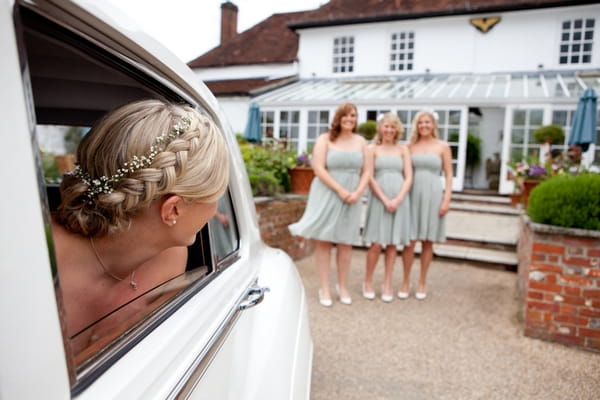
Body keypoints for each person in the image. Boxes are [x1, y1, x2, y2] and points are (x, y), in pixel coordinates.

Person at [51, 99, 230, 338]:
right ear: (173, 209)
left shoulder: (171, 259)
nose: (216, 208)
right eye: (215, 194)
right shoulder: (34, 261)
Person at [289, 102, 372, 307]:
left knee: (346, 243)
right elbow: (318, 168)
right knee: (324, 241)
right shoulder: (325, 139)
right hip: (328, 192)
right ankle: (324, 287)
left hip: (353, 195)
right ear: (338, 118)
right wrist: (341, 190)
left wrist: (358, 192)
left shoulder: (362, 142)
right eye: (345, 115)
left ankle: (342, 287)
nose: (349, 119)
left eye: (353, 115)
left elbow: (368, 171)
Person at [400, 110, 452, 300]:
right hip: (412, 194)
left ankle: (422, 282)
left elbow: (448, 174)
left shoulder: (443, 146)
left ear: (433, 125)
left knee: (428, 240)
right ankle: (405, 281)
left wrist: (447, 199)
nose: (424, 125)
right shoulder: (409, 146)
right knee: (410, 241)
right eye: (420, 122)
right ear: (416, 125)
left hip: (433, 194)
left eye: (427, 122)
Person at [362, 113, 413, 302]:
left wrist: (399, 198)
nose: (389, 130)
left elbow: (408, 176)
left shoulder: (403, 150)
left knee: (392, 244)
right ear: (380, 128)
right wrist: (384, 199)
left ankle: (388, 284)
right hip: (379, 199)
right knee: (376, 243)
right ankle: (367, 281)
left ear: (397, 130)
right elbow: (369, 176)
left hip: (400, 199)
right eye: (386, 126)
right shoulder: (372, 149)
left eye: (393, 127)